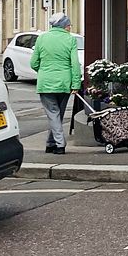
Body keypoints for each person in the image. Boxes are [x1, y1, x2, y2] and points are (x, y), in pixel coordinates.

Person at [30, 13, 83, 154]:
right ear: (64, 26)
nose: (70, 27)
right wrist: (76, 84)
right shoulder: (70, 40)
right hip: (64, 82)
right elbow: (75, 64)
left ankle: (52, 143)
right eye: (69, 25)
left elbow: (33, 63)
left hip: (46, 82)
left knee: (53, 114)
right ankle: (58, 144)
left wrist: (43, 71)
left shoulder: (42, 39)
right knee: (57, 114)